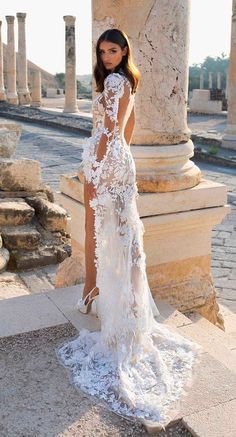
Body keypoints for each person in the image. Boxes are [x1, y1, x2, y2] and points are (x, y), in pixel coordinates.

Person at [56, 28, 204, 430]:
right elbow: (129, 128)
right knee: (122, 238)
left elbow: (110, 131)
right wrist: (115, 160)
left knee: (110, 235)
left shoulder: (117, 81)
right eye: (102, 51)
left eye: (113, 50)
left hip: (109, 164)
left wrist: (99, 169)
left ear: (124, 52)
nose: (106, 56)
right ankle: (125, 309)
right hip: (121, 162)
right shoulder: (125, 82)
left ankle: (113, 309)